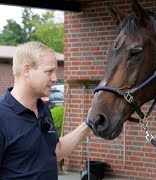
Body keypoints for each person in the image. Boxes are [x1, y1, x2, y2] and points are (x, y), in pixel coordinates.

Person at [0, 41, 91, 179]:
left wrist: (89, 124)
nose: (55, 78)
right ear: (27, 70)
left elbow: (55, 151)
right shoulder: (2, 116)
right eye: (49, 71)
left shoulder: (43, 110)